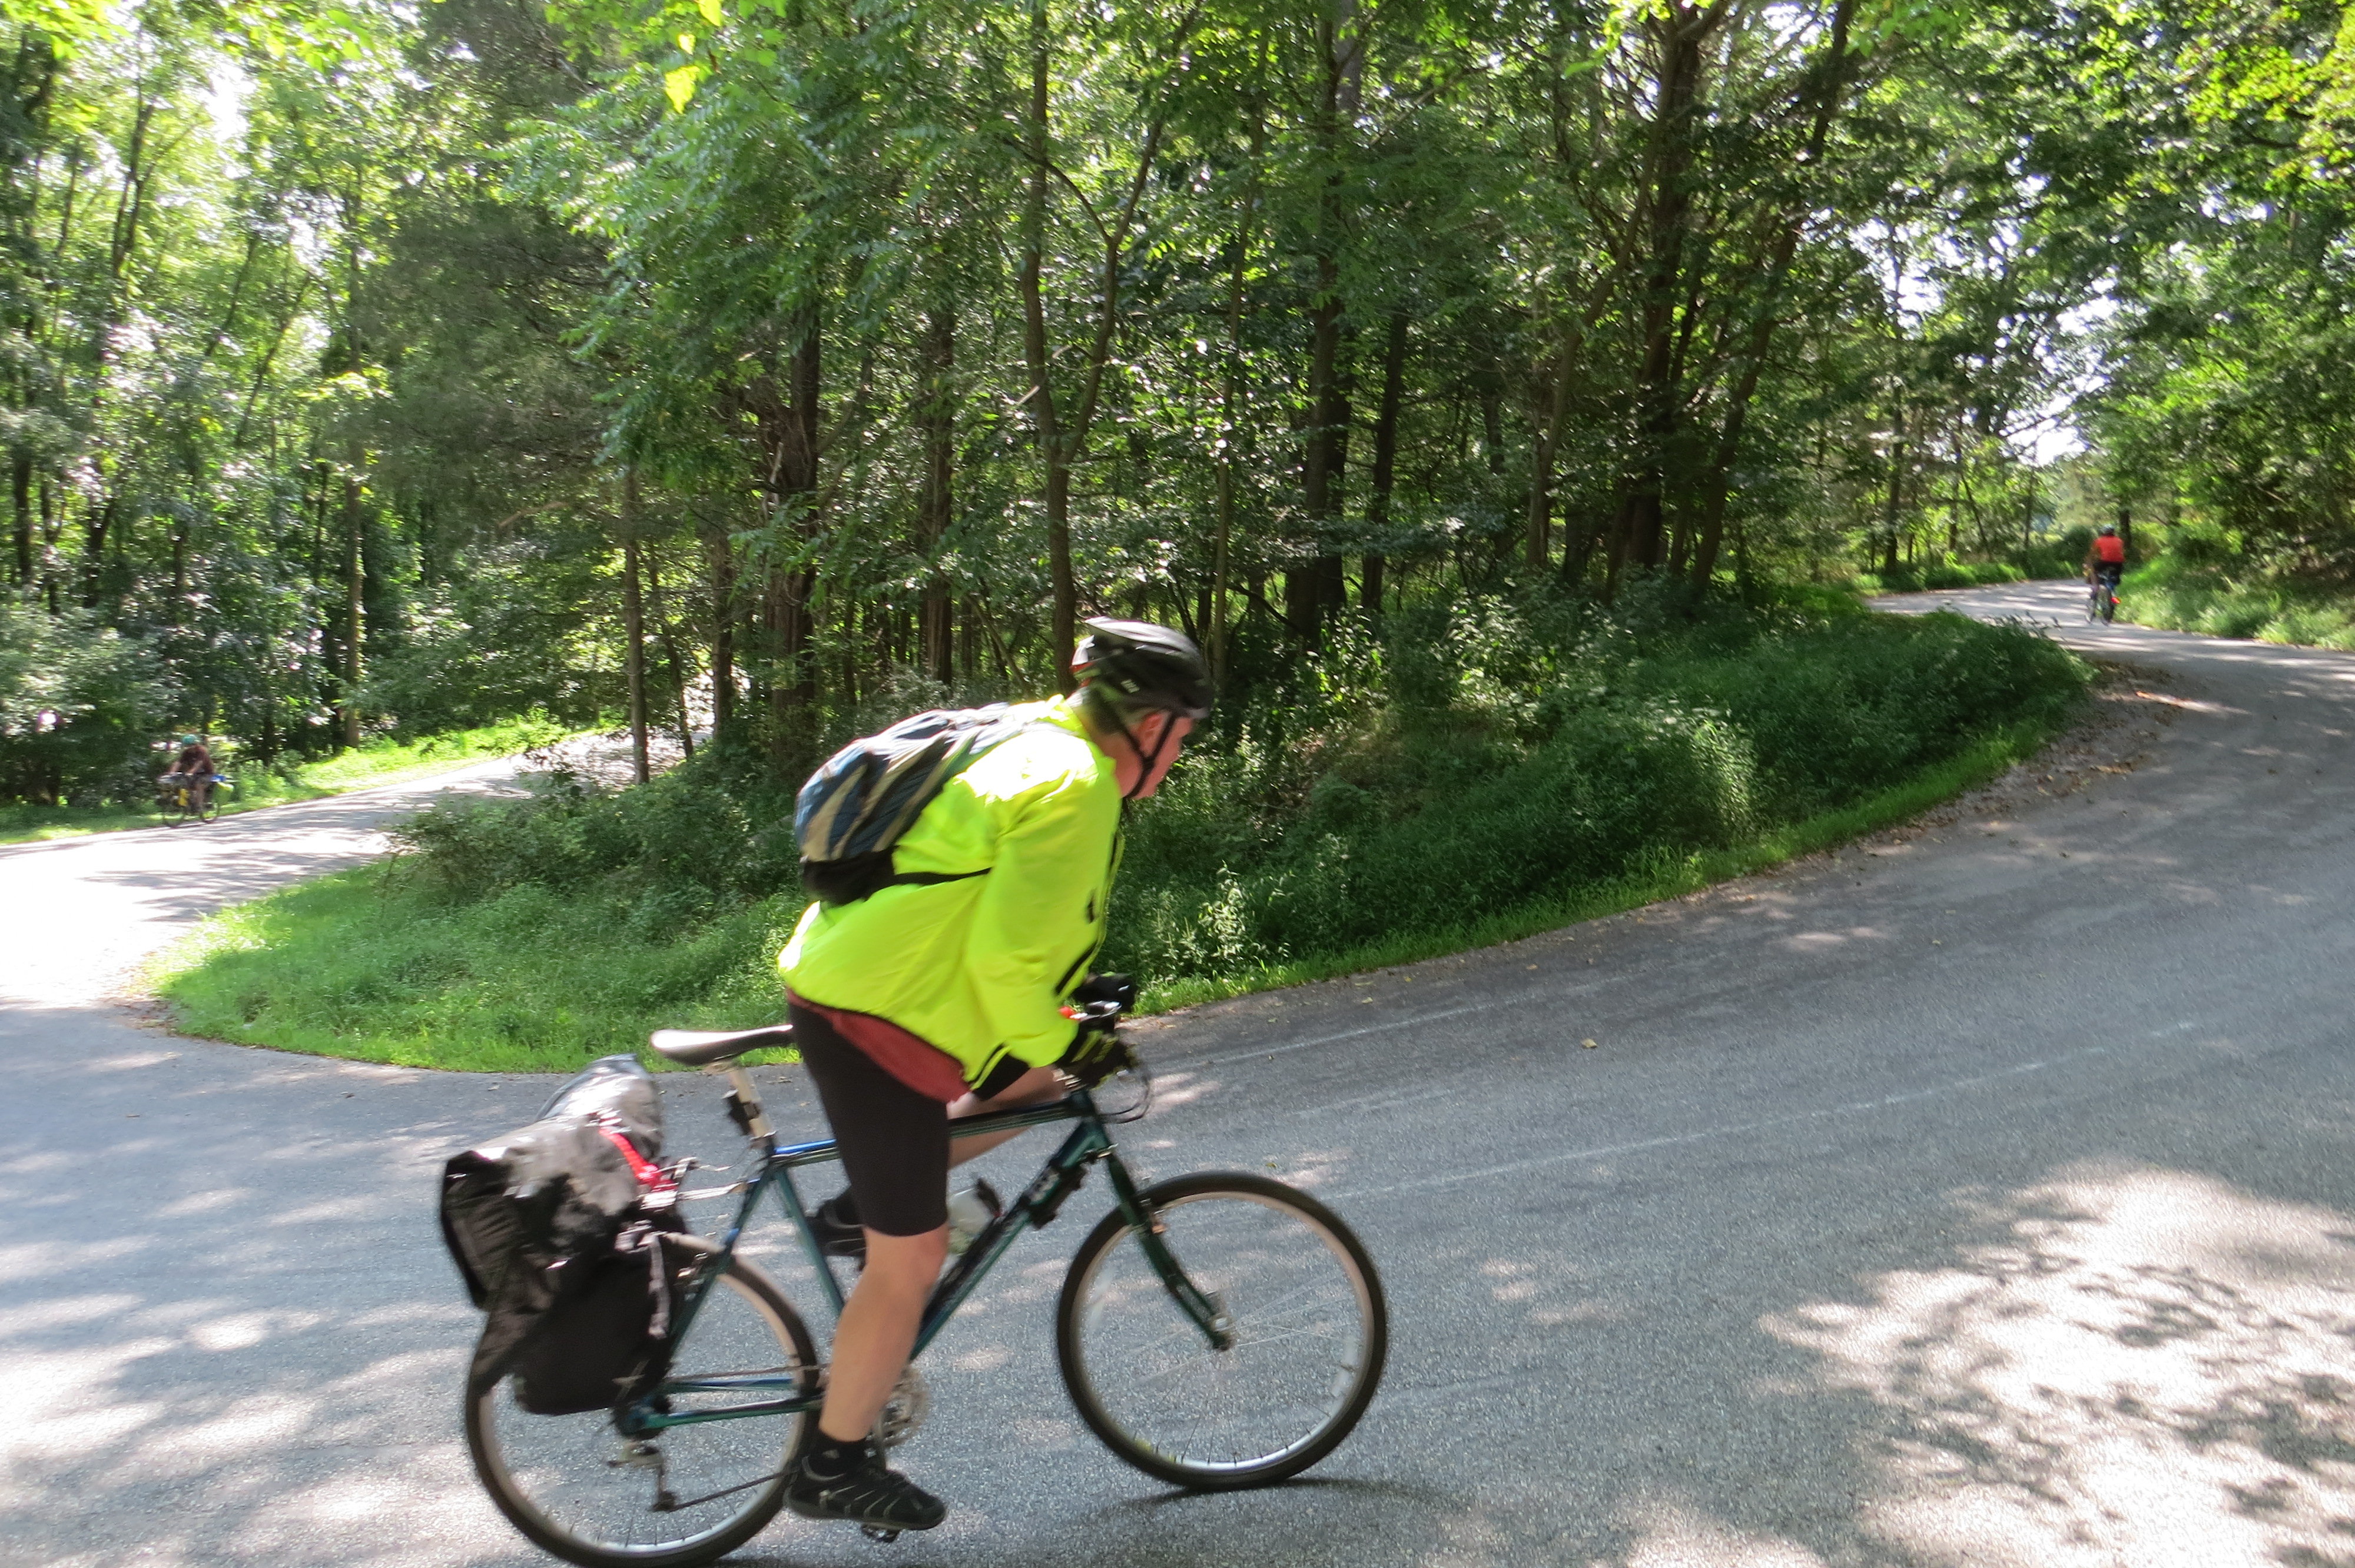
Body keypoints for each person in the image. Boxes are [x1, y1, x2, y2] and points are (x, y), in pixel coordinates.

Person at [774, 617, 1211, 1534]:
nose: (1179, 757)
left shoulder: (1034, 737)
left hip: (879, 986)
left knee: (1037, 1085)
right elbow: (1006, 967)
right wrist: (1073, 1040)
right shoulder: (1075, 784)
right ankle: (833, 1463)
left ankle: (861, 1207)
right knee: (911, 1257)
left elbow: (985, 901)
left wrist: (1067, 1014)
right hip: (875, 1014)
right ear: (1149, 724)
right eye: (1182, 736)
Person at [160, 733, 214, 809]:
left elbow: (199, 763)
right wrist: (172, 772)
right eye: (188, 746)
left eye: (192, 745)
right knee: (185, 785)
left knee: (199, 785)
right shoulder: (187, 752)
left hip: (207, 773)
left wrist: (191, 772)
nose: (190, 747)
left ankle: (199, 806)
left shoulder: (202, 751)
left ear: (196, 744)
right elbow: (179, 762)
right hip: (193, 774)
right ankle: (189, 805)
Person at [2085, 522, 2127, 620]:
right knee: (2114, 579)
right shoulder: (2120, 540)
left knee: (2093, 571)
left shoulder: (2099, 541)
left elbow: (2093, 553)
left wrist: (2088, 563)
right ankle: (2114, 598)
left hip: (2105, 562)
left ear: (2103, 532)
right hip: (2119, 564)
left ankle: (2095, 588)